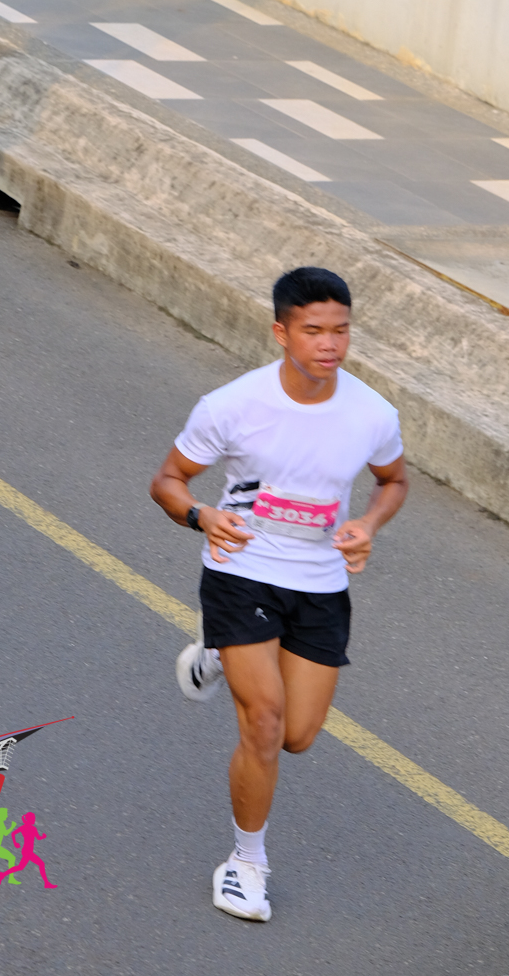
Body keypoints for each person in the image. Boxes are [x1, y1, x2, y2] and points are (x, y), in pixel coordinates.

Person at [149, 266, 408, 924]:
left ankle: (217, 653)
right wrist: (202, 516)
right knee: (262, 722)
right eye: (314, 330)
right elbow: (169, 480)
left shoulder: (372, 413)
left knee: (297, 736)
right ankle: (246, 864)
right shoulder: (233, 405)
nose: (330, 344)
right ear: (281, 333)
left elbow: (394, 481)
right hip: (242, 571)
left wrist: (368, 525)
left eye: (341, 330)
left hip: (320, 585)